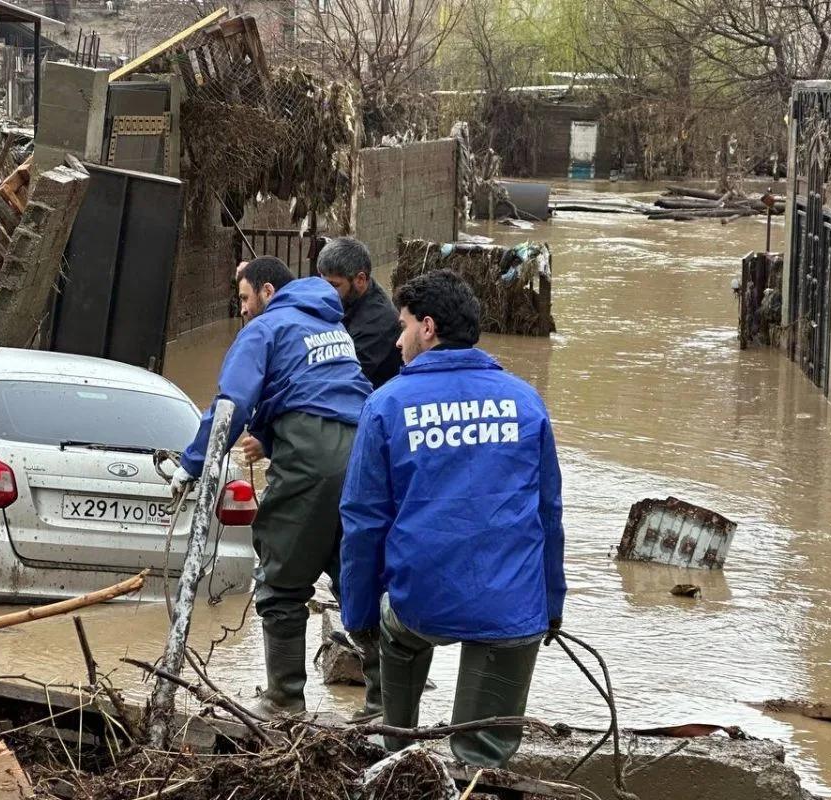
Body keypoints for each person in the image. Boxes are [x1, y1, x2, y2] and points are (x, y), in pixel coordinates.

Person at [339, 269, 566, 767]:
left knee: (394, 630)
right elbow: (548, 513)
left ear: (427, 327)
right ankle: (476, 769)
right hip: (513, 609)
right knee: (483, 760)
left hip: (422, 602)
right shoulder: (527, 402)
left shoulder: (385, 406)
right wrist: (551, 605)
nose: (397, 342)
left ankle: (395, 746)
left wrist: (357, 614)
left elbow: (362, 522)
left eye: (401, 327)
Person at [173, 256, 373, 718]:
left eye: (244, 298)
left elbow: (232, 402)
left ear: (266, 291)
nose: (241, 310)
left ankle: (283, 698)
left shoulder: (266, 328)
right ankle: (384, 702)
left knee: (281, 578)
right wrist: (268, 432)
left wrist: (194, 462)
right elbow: (315, 386)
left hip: (312, 455)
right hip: (363, 449)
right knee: (353, 575)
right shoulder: (329, 324)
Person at [316, 237, 402, 389]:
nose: (324, 292)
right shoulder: (349, 298)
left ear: (360, 279)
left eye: (334, 285)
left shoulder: (378, 321)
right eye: (322, 283)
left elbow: (344, 376)